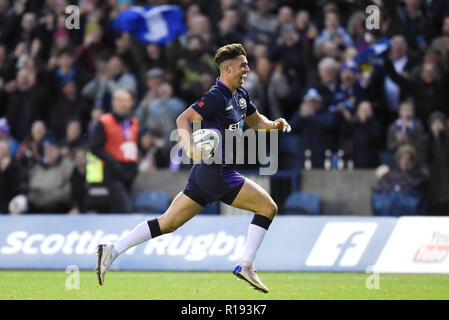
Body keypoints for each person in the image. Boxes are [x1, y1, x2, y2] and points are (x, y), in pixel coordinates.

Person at [96, 44, 291, 293]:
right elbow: (183, 119)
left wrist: (274, 124)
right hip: (217, 171)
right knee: (268, 207)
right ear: (228, 69)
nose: (247, 69)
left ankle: (111, 250)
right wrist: (189, 147)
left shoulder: (240, 95)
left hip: (204, 172)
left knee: (167, 223)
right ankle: (246, 264)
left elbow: (256, 121)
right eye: (243, 65)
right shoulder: (215, 96)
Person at [88, 89, 139, 213]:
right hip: (113, 172)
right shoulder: (104, 121)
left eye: (127, 101)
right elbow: (94, 147)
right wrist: (113, 162)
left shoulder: (134, 122)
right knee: (126, 208)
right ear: (114, 102)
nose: (124, 104)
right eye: (121, 100)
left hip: (130, 171)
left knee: (118, 208)